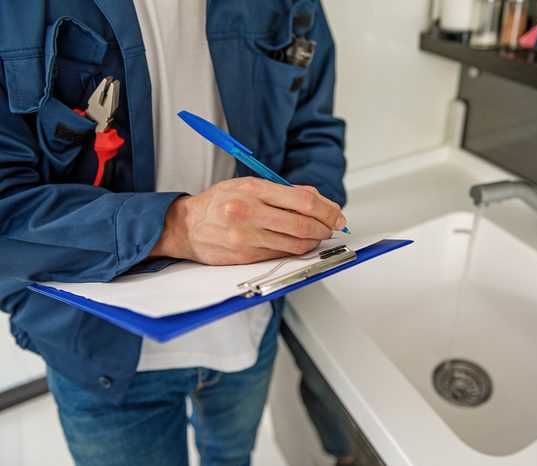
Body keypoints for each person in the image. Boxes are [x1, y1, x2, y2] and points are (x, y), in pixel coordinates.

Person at [0, 1, 354, 465]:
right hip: (97, 353)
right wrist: (175, 227)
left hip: (248, 327)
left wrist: (307, 212)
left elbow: (315, 128)